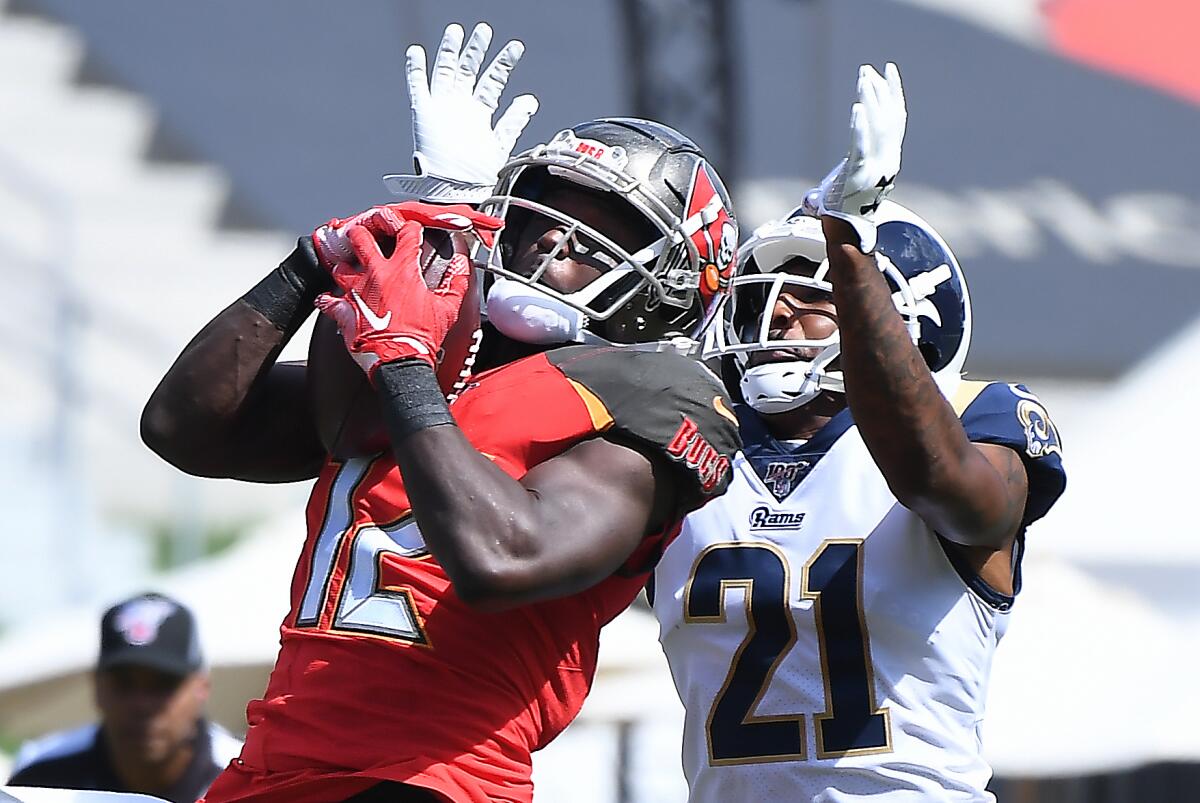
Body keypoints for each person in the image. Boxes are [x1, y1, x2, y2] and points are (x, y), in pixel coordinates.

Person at [139, 22, 741, 803]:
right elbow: (185, 426)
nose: (552, 243)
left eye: (599, 233)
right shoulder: (440, 361)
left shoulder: (653, 394)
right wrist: (313, 262)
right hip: (272, 768)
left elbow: (502, 557)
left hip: (432, 781)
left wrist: (403, 363)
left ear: (671, 281)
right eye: (543, 217)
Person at [652, 65, 1066, 800]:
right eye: (767, 301)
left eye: (814, 297)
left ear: (907, 319)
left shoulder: (978, 417)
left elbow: (948, 489)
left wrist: (847, 243)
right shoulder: (694, 449)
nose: (778, 318)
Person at [7, 593, 242, 803]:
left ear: (201, 688)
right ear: (97, 687)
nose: (141, 704)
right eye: (124, 683)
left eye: (163, 684)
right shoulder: (40, 777)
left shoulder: (248, 777)